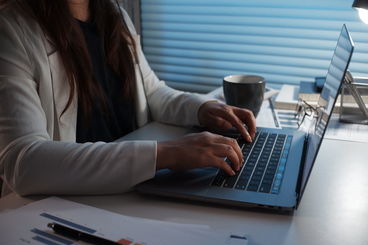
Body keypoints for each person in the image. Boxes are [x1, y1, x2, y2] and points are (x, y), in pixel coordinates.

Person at [0, 0, 256, 196]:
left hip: (136, 193)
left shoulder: (115, 15)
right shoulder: (11, 29)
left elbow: (152, 92)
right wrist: (164, 154)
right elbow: (23, 162)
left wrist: (203, 108)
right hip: (71, 206)